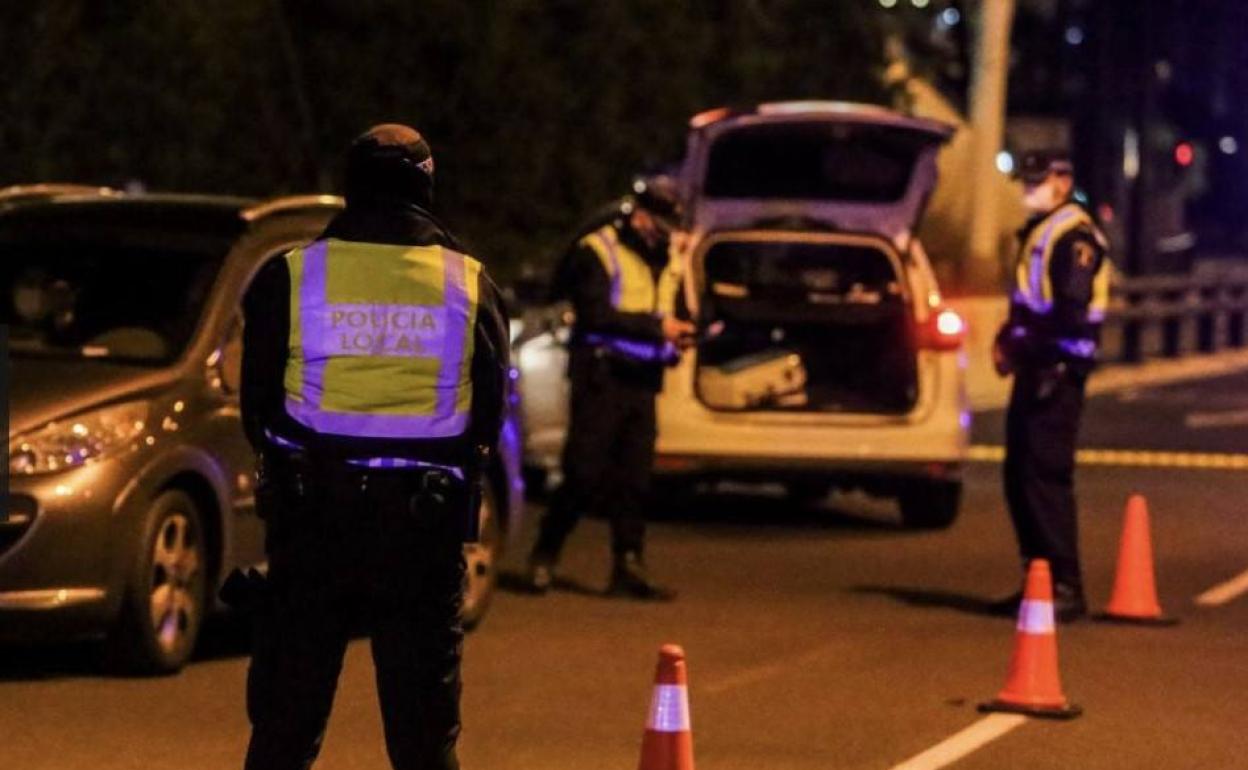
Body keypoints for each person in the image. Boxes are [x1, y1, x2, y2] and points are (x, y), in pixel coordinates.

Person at [237, 124, 509, 770]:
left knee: (285, 725)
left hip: (312, 523)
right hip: (423, 528)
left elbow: (257, 407)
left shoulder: (292, 274)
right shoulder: (468, 281)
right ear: (426, 186)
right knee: (423, 738)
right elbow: (488, 415)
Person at [524, 177, 695, 600]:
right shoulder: (598, 251)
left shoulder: (669, 258)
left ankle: (629, 565)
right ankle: (544, 555)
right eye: (658, 225)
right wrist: (660, 328)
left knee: (635, 480)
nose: (664, 235)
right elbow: (596, 315)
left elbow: (678, 308)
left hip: (643, 380)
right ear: (638, 216)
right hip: (601, 377)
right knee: (582, 473)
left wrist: (681, 333)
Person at [992, 149, 1110, 623]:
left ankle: (1063, 585)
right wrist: (1011, 342)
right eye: (1025, 182)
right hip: (1038, 365)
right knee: (1019, 473)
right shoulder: (1045, 230)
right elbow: (1031, 301)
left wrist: (1032, 350)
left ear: (1064, 181)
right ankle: (1036, 581)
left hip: (1058, 369)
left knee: (1044, 475)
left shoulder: (1074, 236)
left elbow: (1068, 308)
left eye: (1037, 182)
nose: (1028, 191)